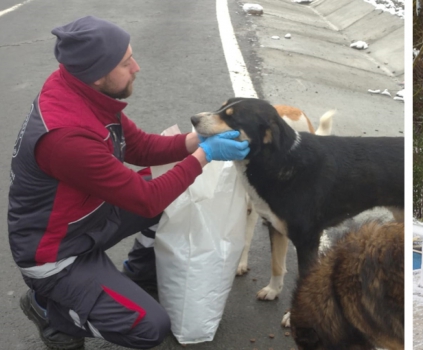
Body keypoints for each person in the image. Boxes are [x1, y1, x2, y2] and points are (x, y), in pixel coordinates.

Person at [8, 16, 249, 349]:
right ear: (97, 74)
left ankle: (138, 272)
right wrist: (205, 156)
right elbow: (146, 200)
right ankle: (51, 310)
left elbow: (141, 147)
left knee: (173, 188)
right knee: (149, 328)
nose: (136, 67)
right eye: (125, 62)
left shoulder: (83, 92)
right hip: (56, 254)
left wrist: (197, 141)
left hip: (87, 218)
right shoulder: (67, 136)